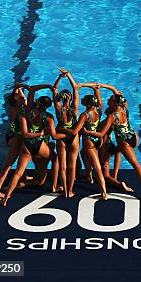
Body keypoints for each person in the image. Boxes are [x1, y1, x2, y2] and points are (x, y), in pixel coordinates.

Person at [84, 93, 141, 200]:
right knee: (133, 162)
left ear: (115, 103)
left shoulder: (112, 117)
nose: (109, 99)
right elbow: (118, 94)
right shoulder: (125, 108)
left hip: (124, 144)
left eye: (111, 99)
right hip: (134, 138)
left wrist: (87, 131)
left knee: (135, 166)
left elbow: (101, 134)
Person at [0, 95, 67, 206]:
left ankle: (6, 198)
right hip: (39, 145)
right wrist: (65, 134)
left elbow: (25, 133)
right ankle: (54, 187)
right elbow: (54, 136)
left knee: (18, 172)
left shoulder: (27, 113)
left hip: (26, 146)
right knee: (54, 158)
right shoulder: (48, 117)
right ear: (47, 106)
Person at [0, 83, 52, 198]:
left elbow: (19, 94)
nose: (22, 97)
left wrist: (21, 87)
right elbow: (25, 99)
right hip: (16, 138)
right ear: (17, 102)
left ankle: (23, 178)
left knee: (22, 158)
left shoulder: (16, 106)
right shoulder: (17, 110)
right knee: (8, 165)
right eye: (20, 98)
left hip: (11, 135)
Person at [58, 84, 108, 200]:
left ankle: (104, 193)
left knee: (97, 167)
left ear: (88, 104)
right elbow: (99, 97)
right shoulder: (99, 110)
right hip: (97, 141)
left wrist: (61, 129)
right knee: (83, 154)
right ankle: (88, 176)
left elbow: (75, 131)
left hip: (89, 143)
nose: (82, 100)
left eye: (84, 100)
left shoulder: (85, 115)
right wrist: (94, 88)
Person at [52, 69, 81, 198]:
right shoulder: (74, 108)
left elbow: (54, 89)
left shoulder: (58, 109)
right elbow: (75, 88)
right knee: (72, 166)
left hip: (61, 137)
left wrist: (59, 78)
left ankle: (64, 192)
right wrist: (69, 75)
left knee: (62, 166)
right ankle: (70, 190)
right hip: (73, 138)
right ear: (69, 98)